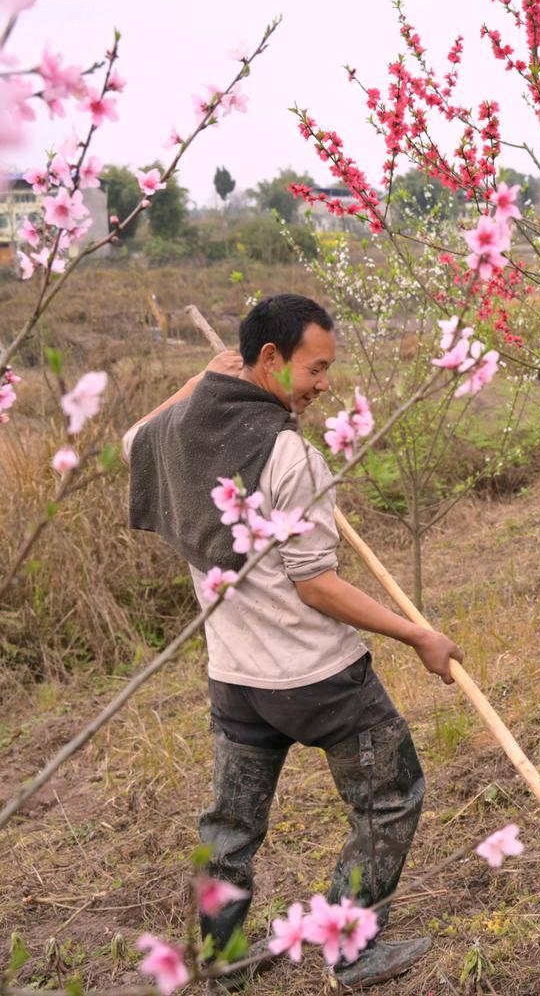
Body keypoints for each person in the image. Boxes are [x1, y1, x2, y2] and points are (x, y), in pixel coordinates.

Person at [123, 293, 462, 989]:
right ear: (270, 358)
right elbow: (317, 586)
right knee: (391, 796)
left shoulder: (177, 430)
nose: (323, 384)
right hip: (318, 681)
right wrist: (418, 634)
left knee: (230, 830)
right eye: (316, 368)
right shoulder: (289, 455)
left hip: (236, 678)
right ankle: (348, 946)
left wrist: (196, 383)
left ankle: (221, 962)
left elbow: (134, 439)